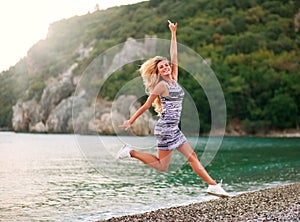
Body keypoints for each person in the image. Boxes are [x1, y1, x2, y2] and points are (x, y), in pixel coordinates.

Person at [118, 20, 230, 198]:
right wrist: (131, 121)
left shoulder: (174, 79)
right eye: (161, 67)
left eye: (166, 65)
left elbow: (174, 55)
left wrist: (173, 33)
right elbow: (147, 105)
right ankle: (130, 152)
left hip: (174, 129)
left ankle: (213, 186)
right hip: (165, 130)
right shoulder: (161, 87)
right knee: (164, 166)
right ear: (159, 72)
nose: (165, 67)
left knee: (189, 158)